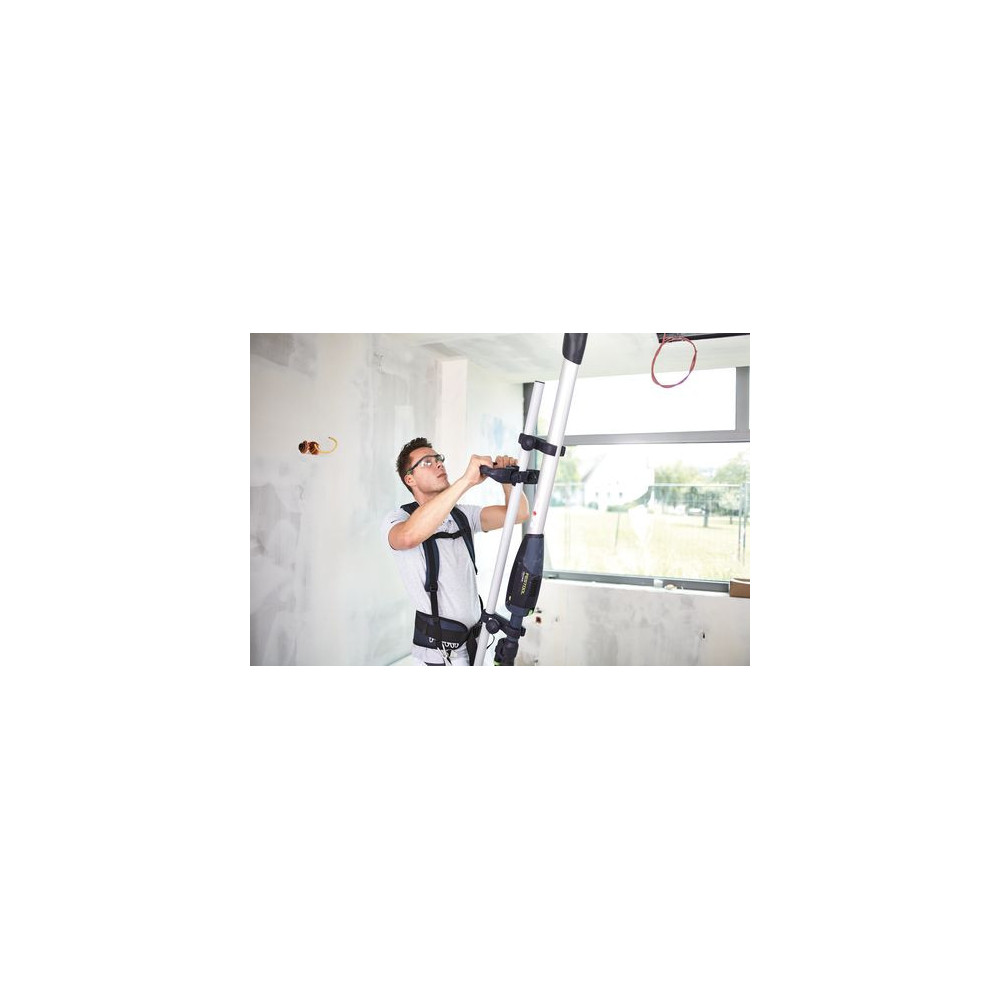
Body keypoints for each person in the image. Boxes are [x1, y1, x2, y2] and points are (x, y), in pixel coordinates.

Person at [382, 436, 529, 664]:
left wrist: (509, 482)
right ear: (409, 479)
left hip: (477, 646)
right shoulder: (399, 519)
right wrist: (466, 481)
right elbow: (409, 536)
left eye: (438, 459)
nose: (438, 464)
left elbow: (519, 514)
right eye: (427, 462)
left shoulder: (463, 515)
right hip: (438, 656)